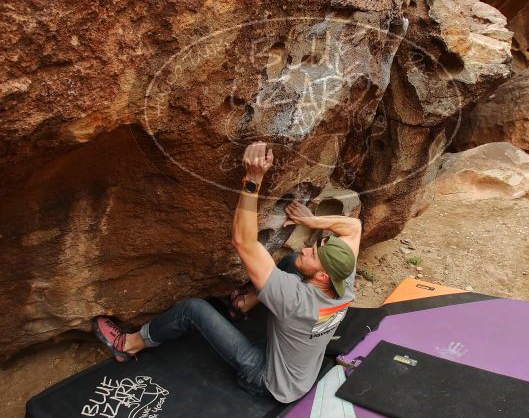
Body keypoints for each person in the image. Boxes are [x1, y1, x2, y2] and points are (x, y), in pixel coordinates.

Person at [91, 141, 361, 403]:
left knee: (193, 309)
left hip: (264, 379)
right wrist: (311, 221)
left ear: (323, 277)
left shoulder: (295, 300)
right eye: (314, 246)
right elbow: (354, 227)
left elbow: (243, 241)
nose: (306, 249)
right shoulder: (343, 280)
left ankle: (130, 344)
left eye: (313, 254)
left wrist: (253, 179)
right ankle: (244, 304)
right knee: (291, 261)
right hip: (300, 373)